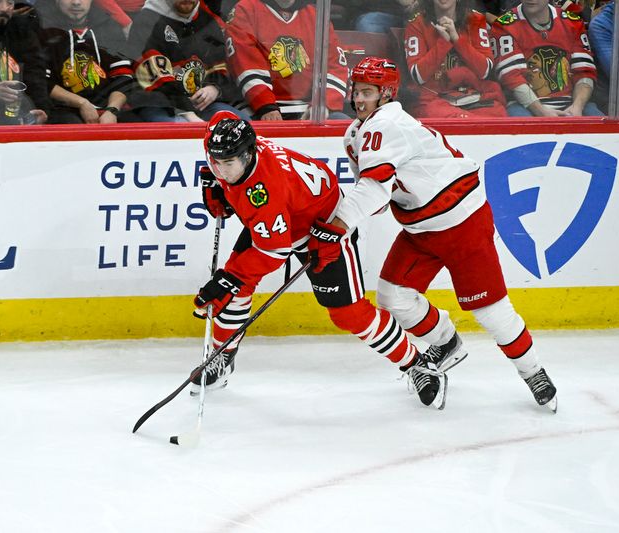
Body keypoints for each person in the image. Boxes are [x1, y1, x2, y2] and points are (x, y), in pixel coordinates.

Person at [313, 56, 558, 411]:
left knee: (491, 310)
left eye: (367, 91)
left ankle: (532, 371)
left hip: (463, 224)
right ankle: (446, 344)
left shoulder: (388, 123)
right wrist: (343, 220)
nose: (358, 98)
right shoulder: (356, 135)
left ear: (386, 94)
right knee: (393, 297)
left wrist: (335, 227)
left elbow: (374, 190)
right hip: (419, 228)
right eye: (356, 90)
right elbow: (378, 196)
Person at [191, 110, 447, 408]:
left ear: (248, 156)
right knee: (238, 287)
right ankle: (223, 355)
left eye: (227, 164)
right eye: (215, 162)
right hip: (284, 217)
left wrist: (229, 278)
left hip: (324, 228)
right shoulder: (236, 150)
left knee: (348, 314)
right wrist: (215, 178)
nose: (221, 169)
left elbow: (275, 251)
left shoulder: (265, 189)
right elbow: (221, 120)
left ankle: (417, 364)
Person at [223, 0, 350, 120]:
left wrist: (323, 104)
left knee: (342, 122)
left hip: (308, 107)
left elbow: (335, 66)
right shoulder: (246, 9)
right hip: (256, 107)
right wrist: (265, 105)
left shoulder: (315, 15)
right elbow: (245, 63)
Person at [125, 0, 247, 122]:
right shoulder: (147, 21)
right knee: (182, 132)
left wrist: (215, 89)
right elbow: (153, 76)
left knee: (242, 123)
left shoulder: (208, 20)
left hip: (201, 104)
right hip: (159, 104)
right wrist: (187, 112)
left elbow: (220, 64)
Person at [490, 0, 602, 117]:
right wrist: (542, 112)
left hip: (571, 103)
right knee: (523, 127)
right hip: (524, 105)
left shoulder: (572, 22)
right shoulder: (503, 25)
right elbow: (512, 78)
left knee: (601, 124)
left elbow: (585, 71)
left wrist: (577, 106)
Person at [404, 0, 507, 119]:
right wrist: (443, 42)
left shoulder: (475, 19)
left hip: (471, 94)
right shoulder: (416, 23)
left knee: (498, 114)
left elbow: (484, 71)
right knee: (448, 117)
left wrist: (457, 39)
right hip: (434, 97)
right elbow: (418, 76)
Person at [37, 0, 133, 124]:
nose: (76, 2)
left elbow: (123, 76)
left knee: (138, 126)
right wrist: (82, 103)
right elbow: (42, 81)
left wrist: (112, 110)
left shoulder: (109, 27)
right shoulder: (43, 28)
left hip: (108, 106)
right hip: (61, 109)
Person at [0, 0, 50, 125]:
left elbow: (35, 74)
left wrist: (39, 109)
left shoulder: (20, 32)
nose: (4, 8)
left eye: (10, 3)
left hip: (11, 114)